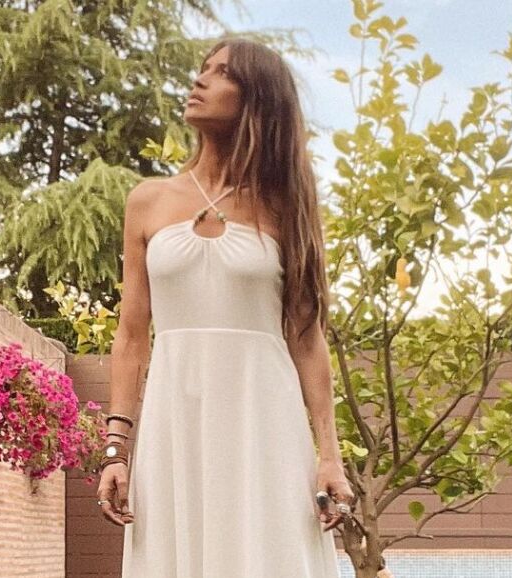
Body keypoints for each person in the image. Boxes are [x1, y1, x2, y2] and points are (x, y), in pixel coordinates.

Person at [96, 37, 356, 577]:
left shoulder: (285, 207)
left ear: (258, 99)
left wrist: (329, 455)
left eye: (222, 74)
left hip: (264, 418)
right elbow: (131, 336)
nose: (200, 80)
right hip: (175, 417)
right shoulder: (149, 200)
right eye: (203, 69)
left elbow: (307, 338)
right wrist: (116, 449)